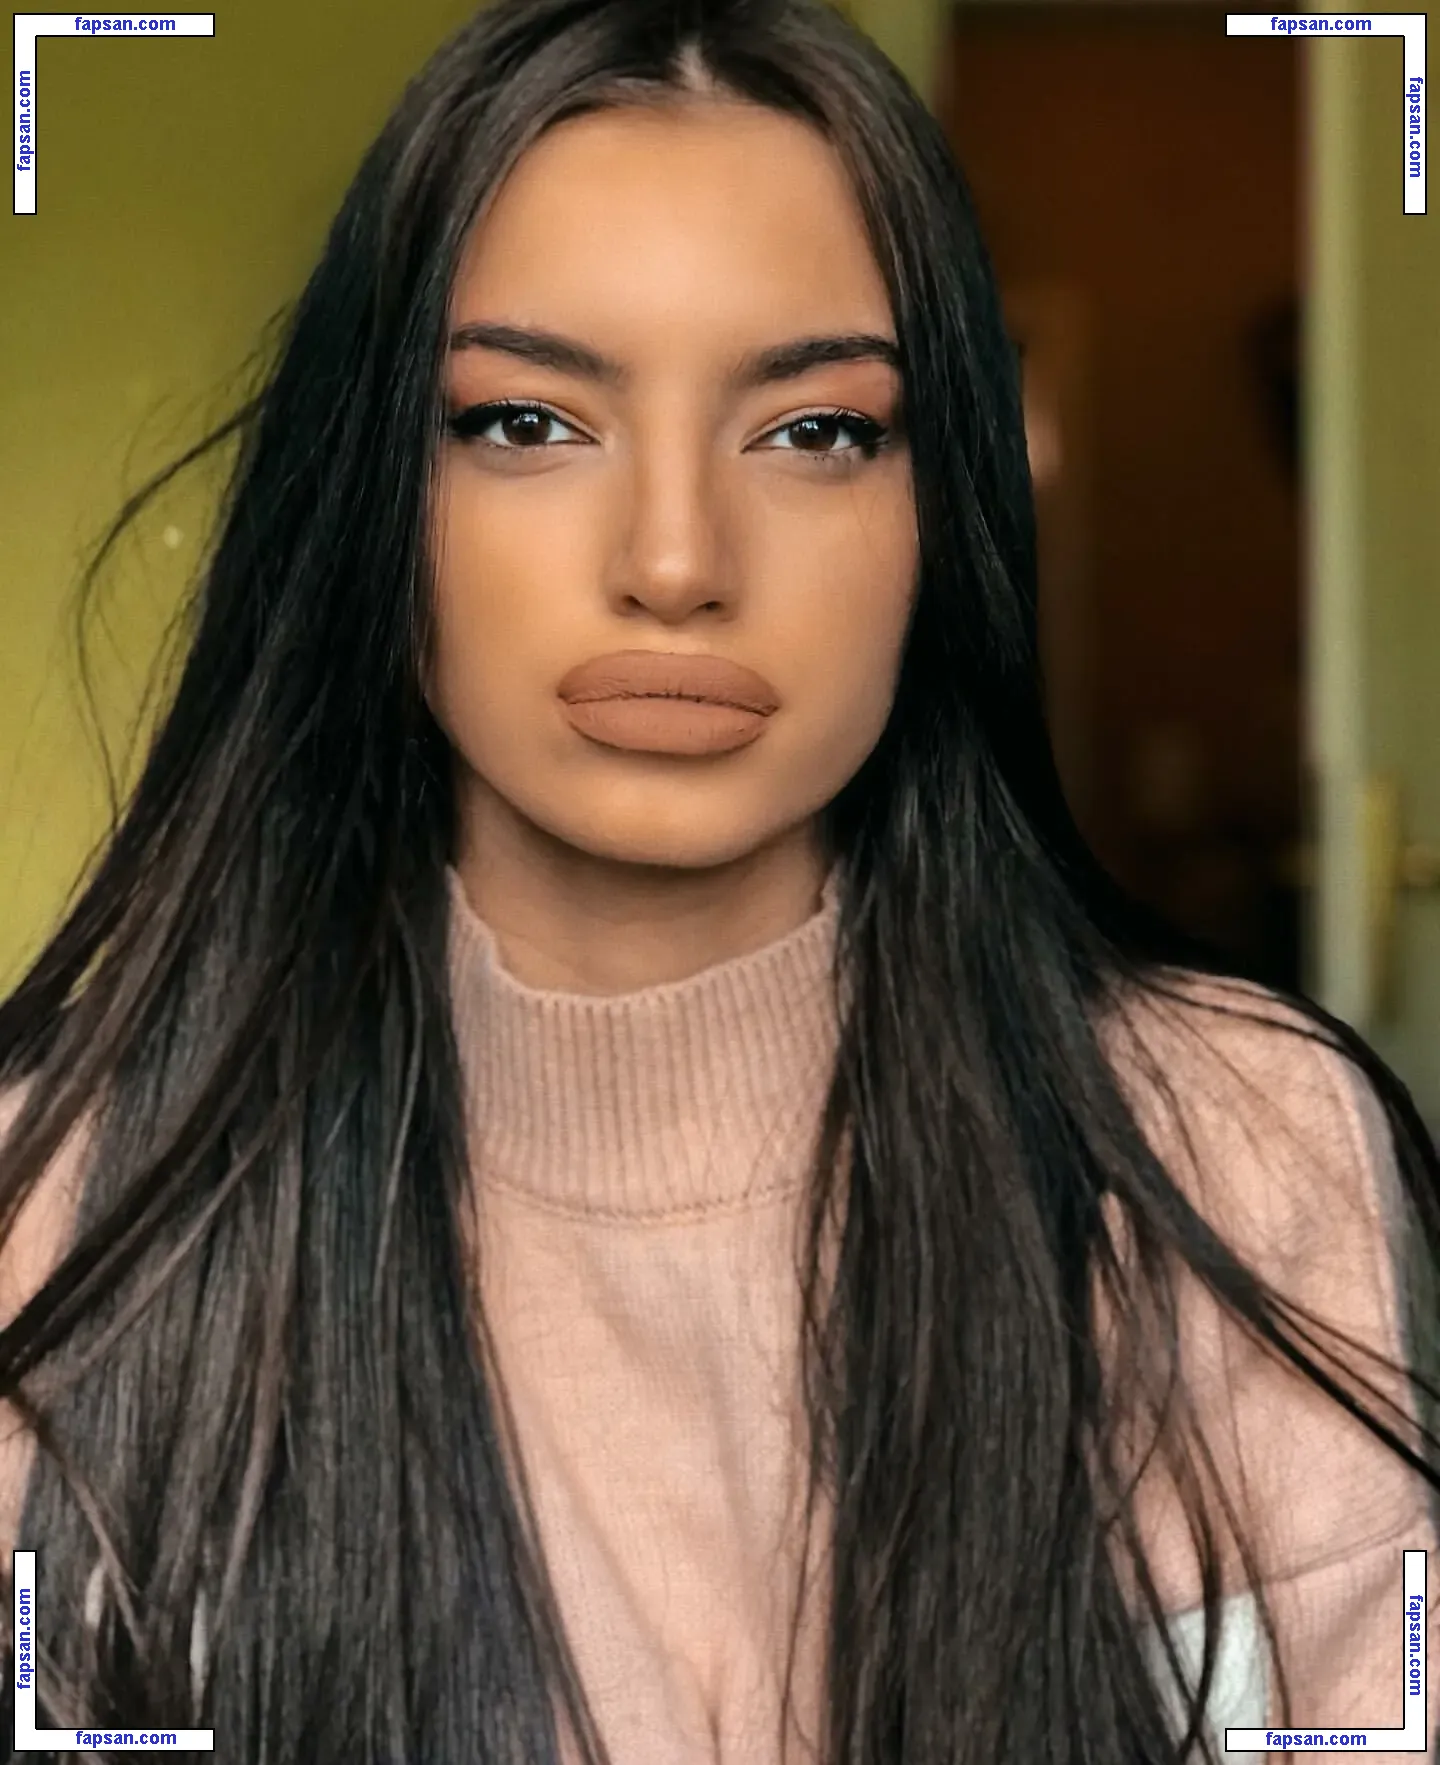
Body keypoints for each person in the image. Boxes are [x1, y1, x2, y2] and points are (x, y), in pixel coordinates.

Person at [1, 0, 1436, 1760]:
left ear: (942, 516)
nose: (675, 561)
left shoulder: (1237, 1148)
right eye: (525, 421)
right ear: (373, 498)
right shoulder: (60, 1215)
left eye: (816, 432)